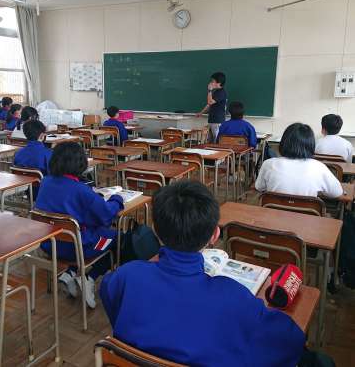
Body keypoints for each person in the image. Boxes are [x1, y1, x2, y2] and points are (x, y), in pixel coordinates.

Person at [100, 180, 305, 366]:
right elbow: (292, 341)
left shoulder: (125, 276)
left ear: (155, 229)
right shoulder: (234, 298)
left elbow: (110, 296)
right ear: (215, 235)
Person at [35, 142, 124, 308]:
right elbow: (105, 215)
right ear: (80, 164)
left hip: (49, 244)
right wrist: (117, 199)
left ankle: (70, 273)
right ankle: (89, 277)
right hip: (78, 249)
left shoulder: (45, 182)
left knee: (88, 229)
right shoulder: (81, 190)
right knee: (117, 238)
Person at [256, 123, 343, 198]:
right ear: (310, 145)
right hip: (307, 212)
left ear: (284, 142)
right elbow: (337, 193)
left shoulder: (268, 164)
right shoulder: (319, 167)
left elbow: (259, 187)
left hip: (273, 211)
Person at [197, 72, 227, 143]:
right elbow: (209, 104)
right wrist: (201, 113)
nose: (210, 83)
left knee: (216, 141)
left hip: (217, 121)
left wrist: (209, 90)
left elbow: (209, 102)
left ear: (219, 83)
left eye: (213, 81)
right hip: (212, 120)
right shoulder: (216, 92)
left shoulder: (221, 92)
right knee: (210, 142)